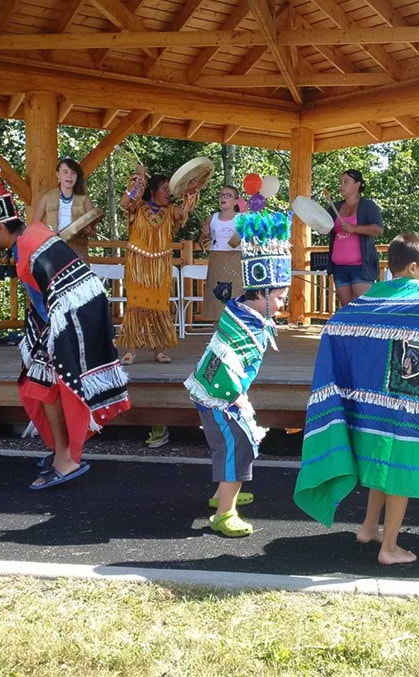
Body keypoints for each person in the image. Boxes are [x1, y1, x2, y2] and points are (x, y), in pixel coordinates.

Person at [294, 234, 419, 564]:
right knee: (399, 464)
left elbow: (338, 325)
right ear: (413, 267)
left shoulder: (372, 297)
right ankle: (390, 547)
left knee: (382, 459)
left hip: (373, 399)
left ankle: (369, 528)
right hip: (409, 397)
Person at [0, 161, 131, 489]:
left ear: (0, 228)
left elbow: (60, 296)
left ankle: (67, 459)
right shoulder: (29, 238)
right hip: (68, 313)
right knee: (42, 382)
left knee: (47, 383)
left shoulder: (30, 246)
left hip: (74, 315)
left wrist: (53, 337)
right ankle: (62, 451)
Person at [184, 209, 293, 537]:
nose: (282, 305)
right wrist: (239, 399)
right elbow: (226, 362)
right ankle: (224, 513)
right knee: (239, 444)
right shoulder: (247, 325)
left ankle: (222, 493)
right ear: (260, 293)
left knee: (227, 445)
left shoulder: (241, 309)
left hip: (211, 390)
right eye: (279, 298)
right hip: (219, 393)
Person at [116, 159, 212, 366]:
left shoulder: (171, 212)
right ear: (153, 190)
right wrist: (139, 180)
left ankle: (160, 349)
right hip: (138, 267)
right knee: (135, 307)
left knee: (161, 308)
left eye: (170, 189)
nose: (169, 193)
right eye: (165, 188)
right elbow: (125, 202)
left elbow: (185, 211)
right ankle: (131, 350)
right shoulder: (138, 208)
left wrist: (191, 190)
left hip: (160, 269)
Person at [326, 169, 384, 307]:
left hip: (361, 266)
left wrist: (355, 229)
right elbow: (325, 228)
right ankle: (347, 329)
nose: (341, 185)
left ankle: (365, 329)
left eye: (346, 182)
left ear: (357, 185)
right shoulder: (335, 206)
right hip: (339, 265)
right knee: (346, 305)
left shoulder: (367, 205)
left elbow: (378, 229)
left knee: (363, 305)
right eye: (341, 182)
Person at [32, 158, 98, 260]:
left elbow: (94, 232)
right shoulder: (48, 197)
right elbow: (35, 226)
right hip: (53, 248)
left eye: (73, 173)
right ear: (58, 174)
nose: (69, 176)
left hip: (78, 251)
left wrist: (89, 231)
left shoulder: (85, 199)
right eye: (65, 172)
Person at [199, 185, 243, 321]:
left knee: (235, 297)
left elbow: (253, 240)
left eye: (228, 195)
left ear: (236, 201)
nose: (223, 197)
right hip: (217, 260)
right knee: (216, 298)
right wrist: (205, 235)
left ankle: (234, 335)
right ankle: (216, 336)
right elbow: (202, 244)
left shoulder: (242, 219)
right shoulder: (212, 219)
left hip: (235, 260)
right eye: (221, 195)